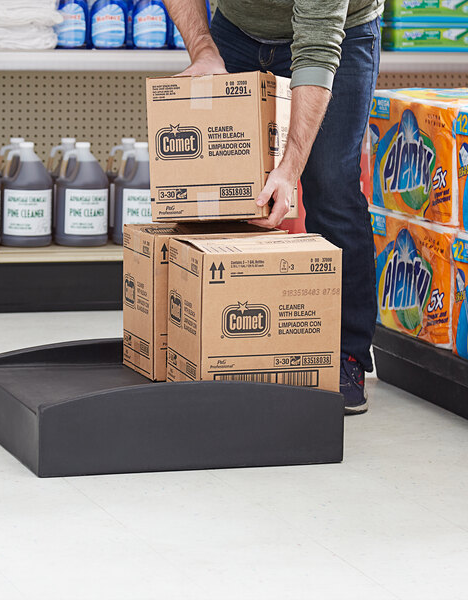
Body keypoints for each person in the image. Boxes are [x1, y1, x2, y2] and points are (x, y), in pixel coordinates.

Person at [164, 0, 384, 414]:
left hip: (339, 34)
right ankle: (223, 348)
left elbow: (317, 46)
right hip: (237, 30)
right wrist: (204, 49)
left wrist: (289, 168)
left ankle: (346, 354)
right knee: (222, 189)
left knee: (331, 185)